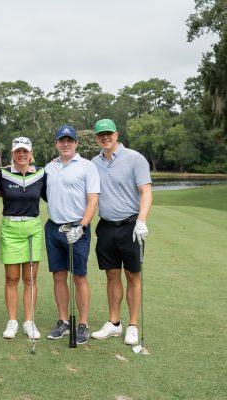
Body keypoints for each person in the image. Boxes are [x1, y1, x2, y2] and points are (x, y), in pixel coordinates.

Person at [91, 118, 152, 345]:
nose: (105, 138)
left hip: (131, 226)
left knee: (133, 275)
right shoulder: (93, 163)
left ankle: (133, 325)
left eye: (109, 134)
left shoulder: (135, 158)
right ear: (96, 138)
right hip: (106, 226)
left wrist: (142, 221)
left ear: (116, 134)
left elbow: (146, 192)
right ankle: (114, 323)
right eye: (100, 135)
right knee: (112, 274)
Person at [45, 125, 100, 345]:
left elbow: (93, 200)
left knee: (79, 276)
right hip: (54, 227)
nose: (65, 144)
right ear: (56, 143)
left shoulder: (87, 167)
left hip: (78, 228)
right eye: (61, 140)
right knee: (58, 275)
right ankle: (63, 321)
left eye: (69, 140)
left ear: (76, 143)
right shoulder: (50, 167)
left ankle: (83, 324)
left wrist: (82, 227)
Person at [0, 137, 46, 340]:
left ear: (31, 153)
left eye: (25, 151)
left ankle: (29, 322)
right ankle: (12, 321)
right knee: (12, 278)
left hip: (33, 228)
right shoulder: (3, 174)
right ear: (12, 153)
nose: (22, 155)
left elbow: (50, 195)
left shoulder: (42, 174)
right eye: (18, 151)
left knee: (30, 278)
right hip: (10, 228)